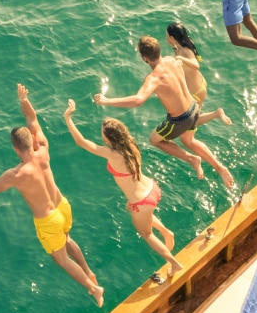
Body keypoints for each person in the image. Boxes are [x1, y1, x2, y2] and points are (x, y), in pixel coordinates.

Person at [0, 84, 104, 307]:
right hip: (62, 205)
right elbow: (32, 121)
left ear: (15, 148)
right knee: (68, 239)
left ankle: (93, 288)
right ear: (31, 141)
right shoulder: (43, 148)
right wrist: (24, 101)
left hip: (48, 220)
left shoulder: (16, 174)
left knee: (61, 260)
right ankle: (89, 271)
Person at [63, 99, 183, 283]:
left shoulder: (112, 154)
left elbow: (81, 142)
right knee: (132, 208)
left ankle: (174, 263)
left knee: (147, 235)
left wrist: (68, 117)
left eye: (103, 133)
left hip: (142, 201)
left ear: (109, 138)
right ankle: (167, 233)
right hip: (151, 188)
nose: (101, 135)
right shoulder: (131, 145)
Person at [93, 36, 235, 189]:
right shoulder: (171, 60)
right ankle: (220, 168)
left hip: (180, 119)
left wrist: (107, 100)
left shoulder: (153, 78)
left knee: (155, 139)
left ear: (145, 58)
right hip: (194, 108)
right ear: (159, 50)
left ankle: (192, 159)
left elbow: (138, 100)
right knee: (189, 141)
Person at [165, 22, 231, 126]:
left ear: (172, 38)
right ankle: (216, 114)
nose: (166, 38)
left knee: (192, 122)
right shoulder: (183, 44)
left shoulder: (184, 50)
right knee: (193, 120)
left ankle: (217, 114)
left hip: (195, 92)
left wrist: (180, 58)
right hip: (199, 86)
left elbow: (196, 65)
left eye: (167, 36)